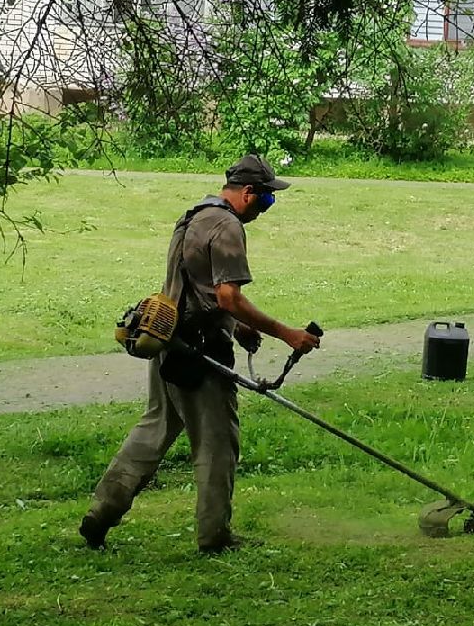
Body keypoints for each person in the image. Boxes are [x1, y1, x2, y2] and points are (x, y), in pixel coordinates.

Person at [79, 154, 321, 554]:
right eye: (267, 199)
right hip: (200, 354)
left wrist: (237, 326)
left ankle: (100, 513)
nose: (266, 208)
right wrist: (286, 334)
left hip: (166, 340)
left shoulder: (194, 216)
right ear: (248, 193)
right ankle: (214, 537)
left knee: (152, 431)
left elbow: (196, 288)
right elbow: (228, 296)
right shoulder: (228, 226)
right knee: (217, 446)